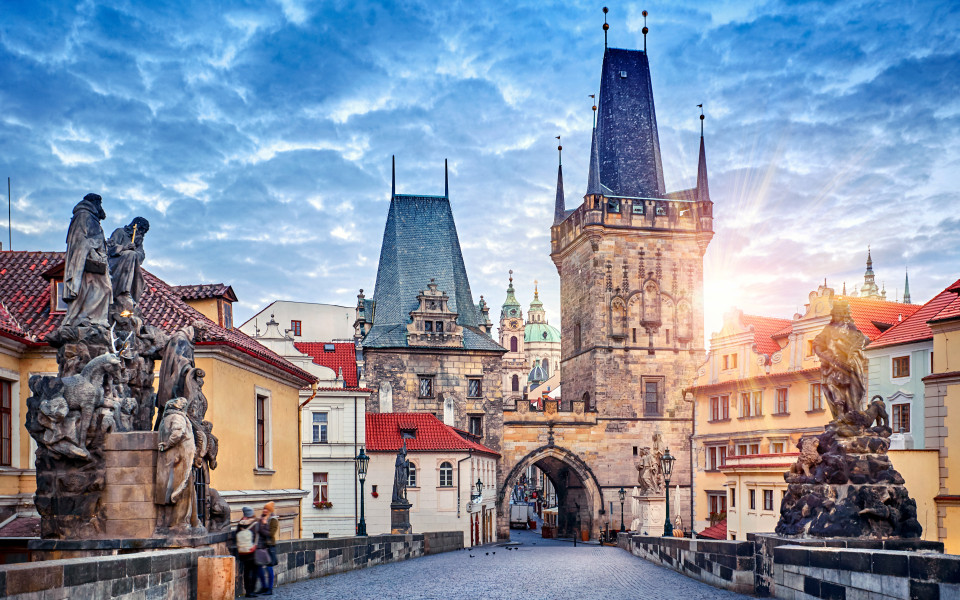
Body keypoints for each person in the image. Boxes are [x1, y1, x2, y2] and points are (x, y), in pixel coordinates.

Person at [236, 506, 261, 598]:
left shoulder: (240, 523)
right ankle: (252, 591)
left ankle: (247, 591)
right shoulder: (255, 523)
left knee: (246, 572)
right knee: (254, 572)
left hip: (243, 552)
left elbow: (236, 535)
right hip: (252, 551)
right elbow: (259, 536)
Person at [257, 502, 280, 595]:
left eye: (267, 509)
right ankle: (264, 586)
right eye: (264, 508)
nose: (264, 510)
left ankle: (269, 589)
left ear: (270, 511)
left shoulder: (273, 520)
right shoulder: (261, 519)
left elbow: (271, 534)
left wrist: (264, 525)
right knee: (259, 567)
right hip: (261, 546)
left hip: (269, 547)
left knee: (269, 568)